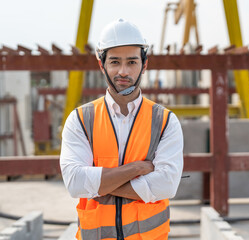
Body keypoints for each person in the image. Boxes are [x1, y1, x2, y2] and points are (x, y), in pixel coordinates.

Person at [60, 18, 184, 240]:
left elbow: (167, 185)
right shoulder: (80, 119)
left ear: (144, 65)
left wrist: (97, 183)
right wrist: (135, 169)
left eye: (132, 62)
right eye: (115, 62)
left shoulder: (165, 121)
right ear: (102, 65)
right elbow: (74, 183)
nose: (123, 71)